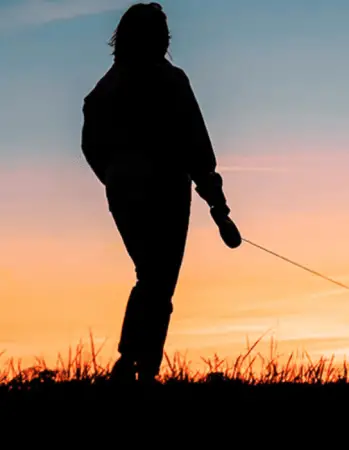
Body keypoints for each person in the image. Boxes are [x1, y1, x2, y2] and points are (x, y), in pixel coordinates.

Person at [80, 2, 242, 382]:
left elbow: (91, 146)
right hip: (165, 188)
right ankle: (140, 366)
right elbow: (197, 146)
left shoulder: (103, 91)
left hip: (123, 190)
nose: (167, 39)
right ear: (157, 39)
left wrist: (113, 178)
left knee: (149, 274)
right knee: (159, 277)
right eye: (162, 33)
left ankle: (132, 361)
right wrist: (218, 207)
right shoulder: (171, 81)